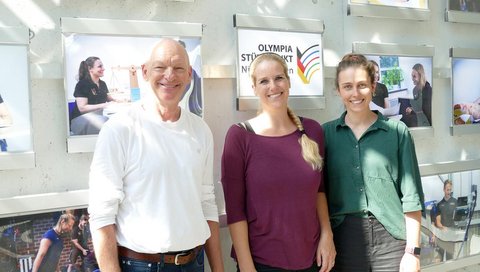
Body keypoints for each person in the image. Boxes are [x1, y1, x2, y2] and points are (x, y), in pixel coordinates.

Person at [88, 38, 224, 272]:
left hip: (194, 262)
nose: (169, 76)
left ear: (190, 74)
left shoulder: (200, 130)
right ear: (145, 71)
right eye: (160, 67)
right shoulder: (120, 129)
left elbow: (207, 202)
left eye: (179, 68)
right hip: (141, 265)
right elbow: (102, 216)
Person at [221, 52, 336, 272]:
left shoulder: (312, 130)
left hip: (314, 260)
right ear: (254, 88)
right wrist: (246, 267)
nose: (273, 86)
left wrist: (327, 234)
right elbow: (235, 211)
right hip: (263, 263)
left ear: (289, 82)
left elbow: (320, 191)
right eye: (264, 81)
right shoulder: (239, 136)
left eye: (279, 78)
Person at [323, 54, 425, 271]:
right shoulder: (325, 135)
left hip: (391, 240)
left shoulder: (398, 132)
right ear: (339, 90)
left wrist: (413, 252)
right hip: (343, 240)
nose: (355, 93)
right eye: (347, 86)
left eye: (362, 85)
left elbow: (412, 196)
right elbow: (319, 194)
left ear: (373, 86)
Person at [70, 56, 118, 135]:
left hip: (97, 118)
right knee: (107, 122)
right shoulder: (82, 84)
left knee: (116, 120)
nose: (103, 68)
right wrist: (104, 105)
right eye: (100, 66)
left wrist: (122, 101)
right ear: (90, 69)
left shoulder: (102, 84)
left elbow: (109, 99)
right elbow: (82, 108)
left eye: (102, 66)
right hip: (79, 120)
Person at [400, 63, 432, 127]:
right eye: (412, 76)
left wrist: (412, 111)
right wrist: (411, 108)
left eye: (414, 76)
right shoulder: (415, 90)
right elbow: (418, 108)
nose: (412, 78)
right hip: (418, 122)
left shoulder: (428, 90)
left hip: (427, 123)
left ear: (421, 76)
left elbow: (426, 111)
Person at [435, 179, 457, 261]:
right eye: (447, 189)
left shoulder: (455, 202)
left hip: (451, 234)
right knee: (440, 257)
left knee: (450, 258)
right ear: (444, 189)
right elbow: (438, 222)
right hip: (442, 235)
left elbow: (458, 218)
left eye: (450, 190)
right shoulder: (440, 204)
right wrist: (444, 228)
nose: (449, 191)